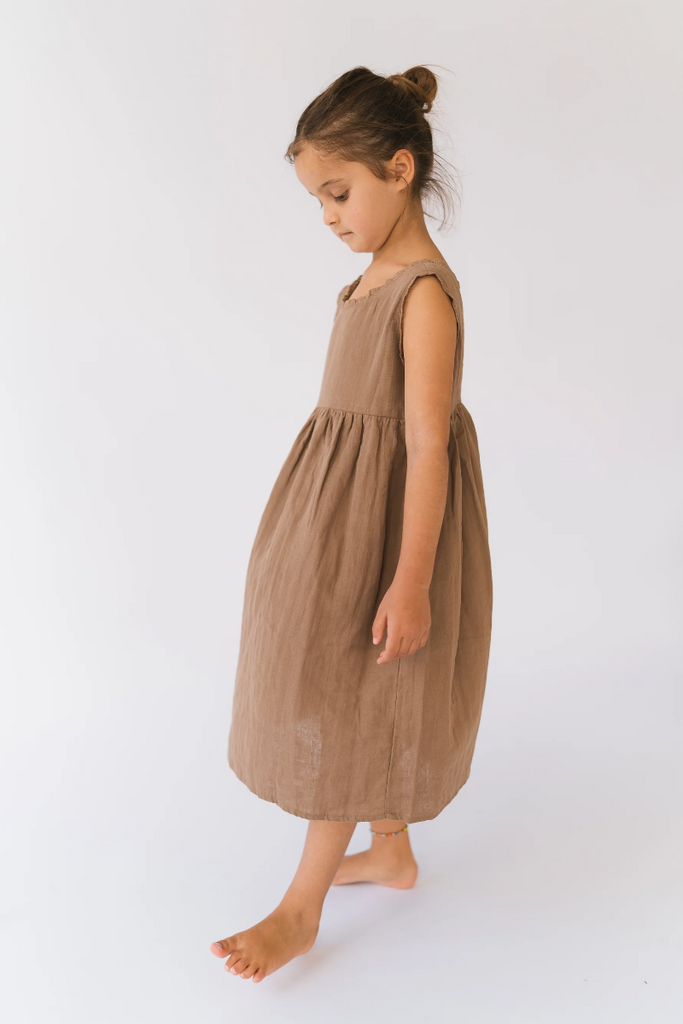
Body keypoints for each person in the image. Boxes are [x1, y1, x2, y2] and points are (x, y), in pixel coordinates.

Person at [210, 64, 493, 983]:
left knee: (345, 692)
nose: (328, 216)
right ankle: (391, 851)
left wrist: (409, 580)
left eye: (338, 193)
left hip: (387, 524)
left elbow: (424, 444)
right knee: (365, 686)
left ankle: (301, 910)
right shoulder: (372, 277)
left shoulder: (421, 292)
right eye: (317, 201)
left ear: (399, 170)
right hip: (338, 513)